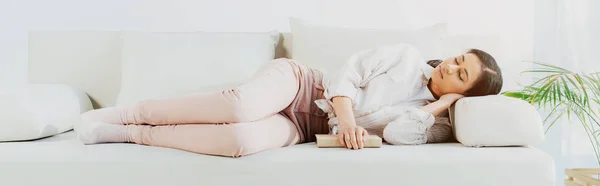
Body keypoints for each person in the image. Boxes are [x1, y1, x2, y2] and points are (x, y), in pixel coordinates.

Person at [75, 43, 503, 158]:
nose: (450, 67)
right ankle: (127, 112)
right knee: (241, 106)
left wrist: (432, 110)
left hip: (305, 130)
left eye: (461, 75)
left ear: (464, 96)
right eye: (457, 58)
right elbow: (348, 72)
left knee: (238, 141)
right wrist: (349, 119)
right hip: (301, 86)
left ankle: (130, 134)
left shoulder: (430, 122)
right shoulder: (408, 58)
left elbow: (393, 132)